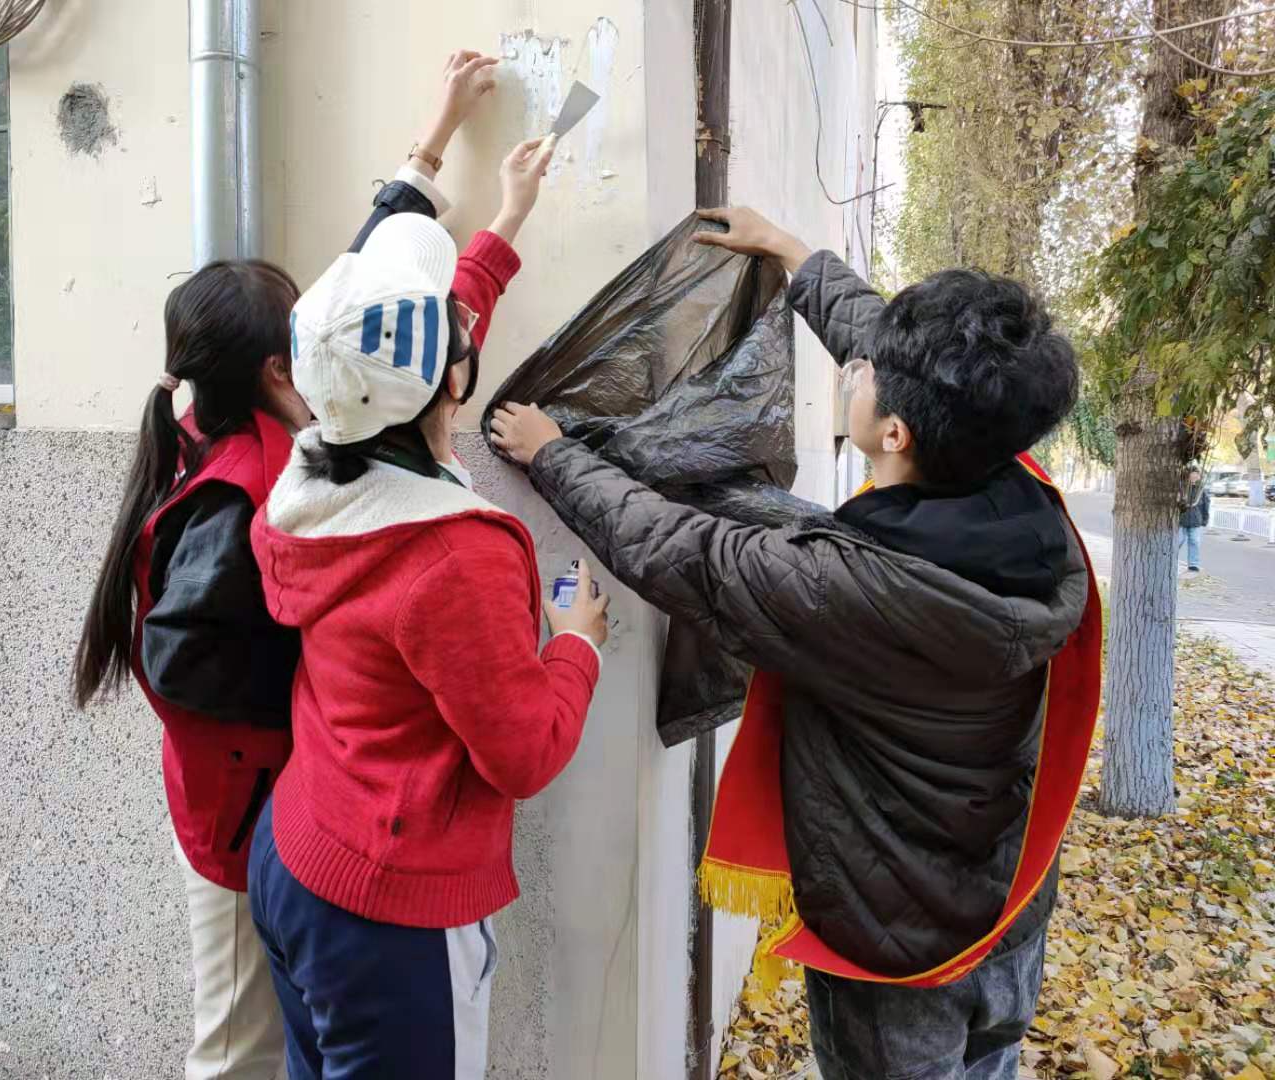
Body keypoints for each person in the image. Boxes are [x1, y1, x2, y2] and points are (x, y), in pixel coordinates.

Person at [491, 206, 1095, 1079]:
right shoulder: (1017, 493)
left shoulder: (852, 589)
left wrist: (551, 454)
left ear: (896, 435)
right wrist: (791, 255)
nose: (856, 367)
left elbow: (684, 553)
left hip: (900, 942)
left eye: (867, 373)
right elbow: (907, 360)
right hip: (1005, 905)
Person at [71, 50, 504, 1080]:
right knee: (236, 1052)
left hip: (266, 818)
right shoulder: (252, 493)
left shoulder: (250, 427)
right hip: (243, 825)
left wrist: (444, 139)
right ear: (282, 368)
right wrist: (313, 699)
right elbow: (181, 665)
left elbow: (372, 294)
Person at [244, 133, 609, 1079]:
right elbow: (523, 753)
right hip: (386, 920)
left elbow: (421, 339)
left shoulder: (313, 469)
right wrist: (576, 647)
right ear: (455, 377)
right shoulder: (451, 554)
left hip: (296, 852)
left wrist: (511, 213)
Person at [1177, 465, 1209, 574]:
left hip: (1195, 520)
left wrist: (1205, 519)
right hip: (1181, 520)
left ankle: (1193, 564)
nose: (1195, 477)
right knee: (1178, 541)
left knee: (1194, 541)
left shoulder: (1201, 490)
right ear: (1188, 475)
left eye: (1197, 475)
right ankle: (1172, 560)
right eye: (1193, 474)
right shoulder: (1182, 488)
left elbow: (1206, 505)